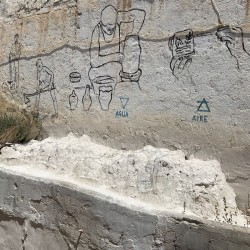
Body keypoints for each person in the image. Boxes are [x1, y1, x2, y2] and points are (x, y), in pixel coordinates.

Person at [88, 5, 146, 93]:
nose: (109, 30)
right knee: (92, 73)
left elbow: (140, 14)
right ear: (101, 22)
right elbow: (94, 62)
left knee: (127, 74)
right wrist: (114, 57)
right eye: (106, 26)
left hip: (117, 70)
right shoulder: (97, 31)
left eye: (112, 26)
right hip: (100, 70)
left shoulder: (118, 23)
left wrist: (118, 15)